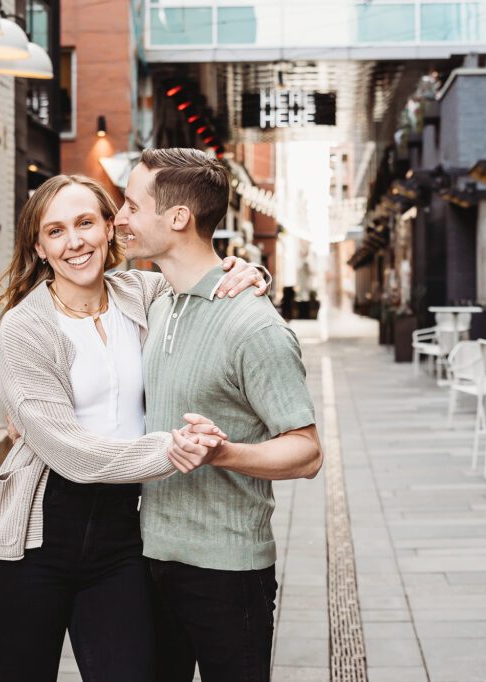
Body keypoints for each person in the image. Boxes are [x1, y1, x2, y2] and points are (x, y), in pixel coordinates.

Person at [0, 173, 269, 682]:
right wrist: (170, 450)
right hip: (36, 538)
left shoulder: (144, 293)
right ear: (39, 247)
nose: (75, 242)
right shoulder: (24, 326)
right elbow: (70, 452)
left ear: (109, 228)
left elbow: (203, 279)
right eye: (56, 231)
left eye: (86, 223)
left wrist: (249, 271)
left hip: (123, 539)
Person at [114, 148, 324, 682]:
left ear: (178, 218)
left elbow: (306, 452)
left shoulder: (256, 327)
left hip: (228, 573)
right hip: (149, 558)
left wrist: (223, 453)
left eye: (132, 206)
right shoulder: (159, 302)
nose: (119, 218)